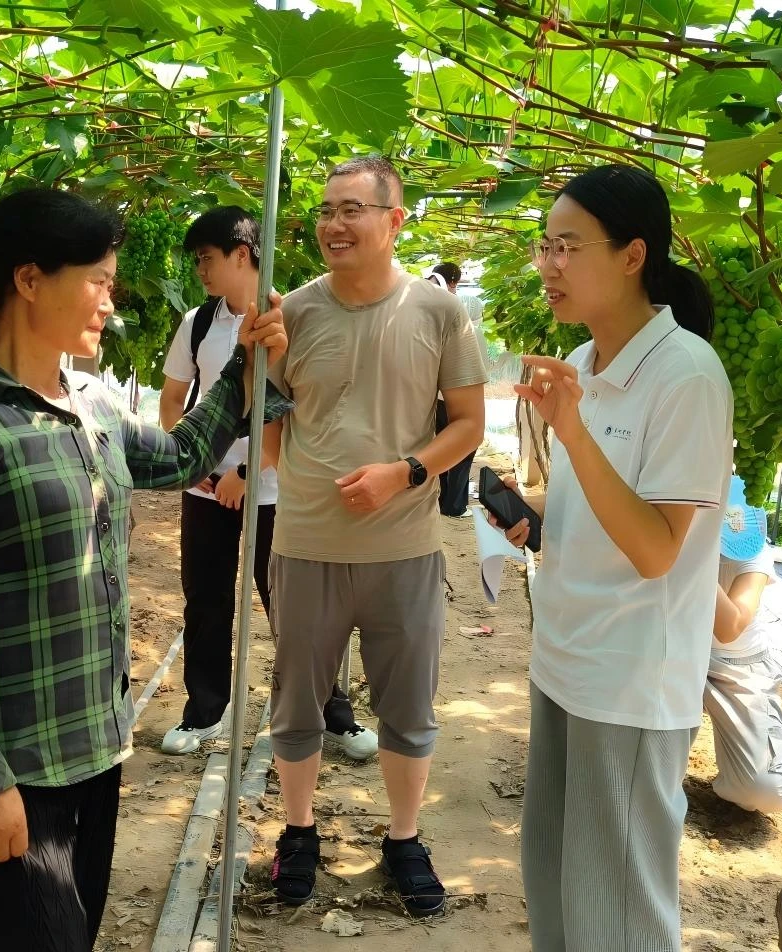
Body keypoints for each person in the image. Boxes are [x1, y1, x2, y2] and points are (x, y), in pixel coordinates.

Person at [0, 188, 289, 952]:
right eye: (98, 279)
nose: (111, 299)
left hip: (94, 752)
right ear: (30, 280)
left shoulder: (91, 402)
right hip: (11, 769)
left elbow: (182, 456)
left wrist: (243, 368)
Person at [495, 163, 732, 951]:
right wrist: (535, 521)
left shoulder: (686, 375)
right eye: (543, 246)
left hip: (628, 681)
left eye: (568, 246)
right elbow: (601, 518)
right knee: (557, 891)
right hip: (565, 660)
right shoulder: (588, 364)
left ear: (632, 256)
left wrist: (571, 433)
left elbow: (657, 550)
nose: (549, 265)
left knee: (617, 920)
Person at [265, 157, 488, 917]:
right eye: (326, 210)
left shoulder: (438, 313)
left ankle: (402, 838)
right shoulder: (288, 313)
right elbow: (266, 429)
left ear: (394, 221)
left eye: (352, 209)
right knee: (296, 703)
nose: (333, 224)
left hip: (403, 549)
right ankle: (298, 833)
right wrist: (260, 371)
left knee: (408, 704)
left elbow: (467, 424)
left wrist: (403, 473)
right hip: (304, 544)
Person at [157, 207, 377, 760]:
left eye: (207, 258)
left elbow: (305, 411)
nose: (201, 271)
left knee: (296, 607)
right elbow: (171, 402)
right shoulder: (197, 324)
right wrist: (205, 472)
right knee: (205, 602)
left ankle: (330, 713)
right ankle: (204, 712)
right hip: (206, 492)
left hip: (277, 490)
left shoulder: (290, 317)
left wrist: (250, 472)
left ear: (241, 253)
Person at [704, 474, 782, 813]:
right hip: (669, 652)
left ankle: (771, 743)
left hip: (734, 668)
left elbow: (729, 626)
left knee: (767, 789)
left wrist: (694, 556)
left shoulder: (753, 556)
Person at [429, 261, 477, 517]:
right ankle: (454, 505)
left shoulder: (422, 289)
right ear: (454, 281)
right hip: (447, 392)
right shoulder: (446, 299)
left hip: (431, 395)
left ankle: (445, 501)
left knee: (441, 445)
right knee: (464, 445)